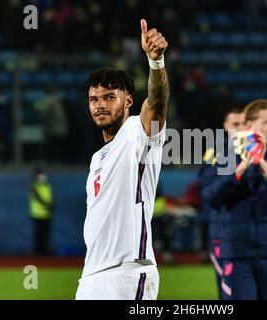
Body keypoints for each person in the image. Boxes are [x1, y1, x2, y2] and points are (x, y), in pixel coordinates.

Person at [75, 19, 169, 300]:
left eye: (109, 97)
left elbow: (157, 100)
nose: (100, 104)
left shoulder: (138, 132)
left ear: (128, 101)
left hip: (127, 274)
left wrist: (156, 62)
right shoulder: (96, 159)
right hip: (91, 275)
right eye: (93, 99)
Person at [200, 99, 267, 300]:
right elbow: (210, 196)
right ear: (250, 125)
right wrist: (238, 173)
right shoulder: (225, 156)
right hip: (237, 252)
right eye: (266, 122)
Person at [198, 105, 246, 299]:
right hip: (222, 229)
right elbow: (208, 188)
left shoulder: (257, 150)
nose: (240, 127)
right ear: (226, 126)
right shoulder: (215, 151)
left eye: (244, 123)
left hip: (250, 230)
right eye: (235, 124)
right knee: (228, 289)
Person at [29, 168, 54, 256]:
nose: (44, 177)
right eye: (41, 175)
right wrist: (47, 205)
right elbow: (38, 198)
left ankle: (44, 251)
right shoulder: (34, 186)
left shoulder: (48, 186)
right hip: (37, 214)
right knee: (38, 234)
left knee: (45, 234)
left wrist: (52, 206)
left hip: (46, 214)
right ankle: (37, 252)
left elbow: (51, 198)